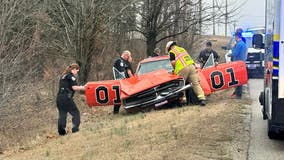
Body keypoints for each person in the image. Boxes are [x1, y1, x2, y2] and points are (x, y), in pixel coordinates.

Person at [165, 41, 206, 106]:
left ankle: (183, 101)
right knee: (196, 83)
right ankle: (202, 99)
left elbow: (173, 62)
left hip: (182, 68)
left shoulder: (172, 52)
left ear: (169, 47)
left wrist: (174, 69)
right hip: (192, 66)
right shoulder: (182, 49)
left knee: (181, 85)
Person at [56, 63, 86, 136]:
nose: (76, 73)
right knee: (76, 113)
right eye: (77, 71)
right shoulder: (71, 77)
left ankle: (61, 132)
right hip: (66, 98)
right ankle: (75, 129)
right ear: (74, 69)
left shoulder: (63, 76)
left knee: (62, 114)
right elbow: (74, 87)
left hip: (59, 98)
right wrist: (83, 87)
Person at [229, 32, 247, 99]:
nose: (234, 38)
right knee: (240, 79)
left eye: (235, 37)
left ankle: (238, 95)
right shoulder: (244, 44)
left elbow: (235, 53)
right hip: (242, 63)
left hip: (237, 64)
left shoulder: (239, 44)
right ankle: (237, 93)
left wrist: (233, 48)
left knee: (238, 80)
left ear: (237, 37)